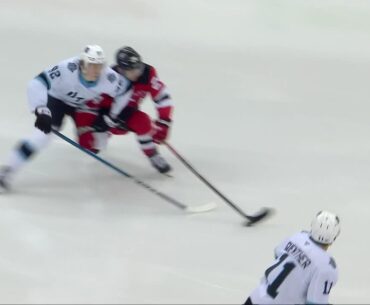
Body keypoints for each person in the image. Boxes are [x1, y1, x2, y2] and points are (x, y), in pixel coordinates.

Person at [0, 45, 132, 192]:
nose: (95, 71)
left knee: (94, 144)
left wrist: (112, 116)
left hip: (83, 105)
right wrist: (41, 109)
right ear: (82, 64)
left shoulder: (109, 77)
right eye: (91, 65)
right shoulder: (66, 68)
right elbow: (37, 83)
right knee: (41, 137)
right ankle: (7, 171)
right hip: (57, 100)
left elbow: (126, 89)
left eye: (99, 66)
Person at [75, 46, 174, 174]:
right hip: (106, 116)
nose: (137, 72)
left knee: (144, 123)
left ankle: (152, 155)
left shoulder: (148, 74)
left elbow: (162, 97)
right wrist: (86, 129)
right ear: (121, 70)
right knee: (92, 145)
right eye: (132, 70)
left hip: (128, 114)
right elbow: (90, 105)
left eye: (138, 67)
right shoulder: (109, 78)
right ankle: (100, 139)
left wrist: (164, 122)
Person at [245, 211, 340, 304]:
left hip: (256, 298)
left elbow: (277, 254)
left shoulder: (298, 237)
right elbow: (314, 302)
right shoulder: (327, 266)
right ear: (335, 236)